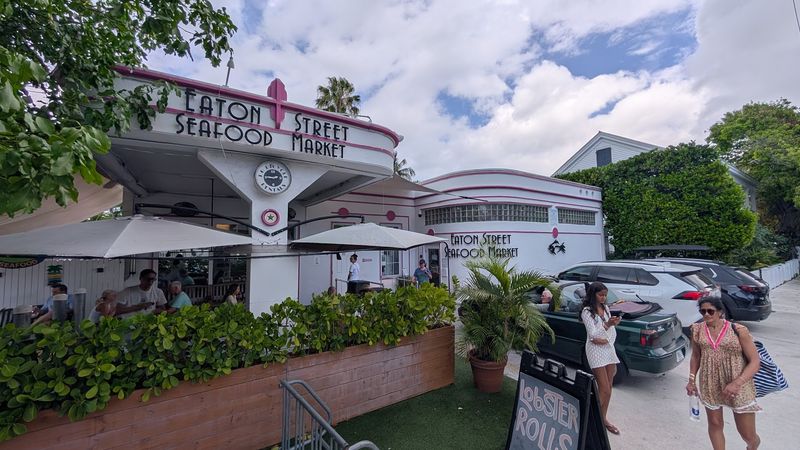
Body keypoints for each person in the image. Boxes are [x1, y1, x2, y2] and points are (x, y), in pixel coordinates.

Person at [686, 297, 761, 450]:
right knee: (715, 424)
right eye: (703, 311)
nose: (706, 314)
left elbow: (755, 361)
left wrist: (737, 383)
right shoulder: (697, 329)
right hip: (710, 381)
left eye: (710, 311)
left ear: (720, 312)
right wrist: (691, 380)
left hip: (738, 383)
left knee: (747, 434)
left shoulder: (738, 330)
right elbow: (696, 356)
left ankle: (752, 446)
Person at [580, 281, 622, 435]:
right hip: (595, 351)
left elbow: (608, 333)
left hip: (608, 347)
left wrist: (611, 325)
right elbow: (592, 334)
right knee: (603, 388)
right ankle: (592, 419)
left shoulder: (606, 308)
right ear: (593, 294)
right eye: (601, 295)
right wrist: (606, 326)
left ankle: (602, 418)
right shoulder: (587, 311)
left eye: (605, 294)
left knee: (609, 388)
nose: (604, 298)